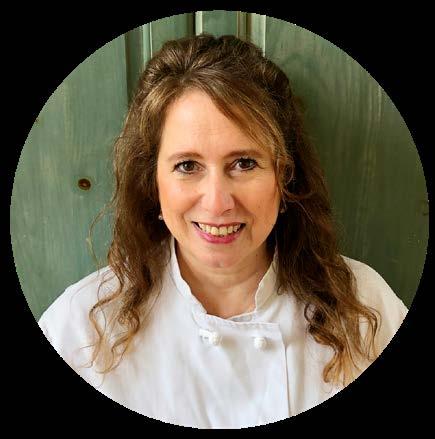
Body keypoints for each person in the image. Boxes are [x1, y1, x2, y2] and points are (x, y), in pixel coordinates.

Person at [38, 33, 408, 429]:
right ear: (152, 183)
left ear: (285, 177)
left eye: (244, 163)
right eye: (187, 166)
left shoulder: (364, 308)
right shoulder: (80, 328)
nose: (217, 203)